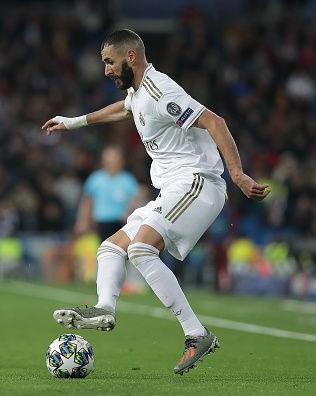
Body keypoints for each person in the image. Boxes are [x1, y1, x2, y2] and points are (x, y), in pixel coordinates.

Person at [42, 29, 270, 375]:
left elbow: (215, 122)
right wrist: (73, 122)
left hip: (198, 182)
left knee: (141, 249)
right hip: (173, 189)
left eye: (109, 62)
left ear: (130, 56)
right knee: (111, 248)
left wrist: (237, 175)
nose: (106, 70)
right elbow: (124, 109)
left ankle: (197, 334)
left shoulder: (160, 89)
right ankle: (105, 307)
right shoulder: (138, 93)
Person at [74, 145, 140, 242]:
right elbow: (87, 202)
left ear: (121, 160)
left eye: (115, 159)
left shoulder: (128, 180)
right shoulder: (95, 178)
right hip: (100, 223)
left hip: (122, 223)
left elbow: (134, 202)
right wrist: (82, 221)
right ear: (103, 161)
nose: (112, 162)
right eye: (109, 159)